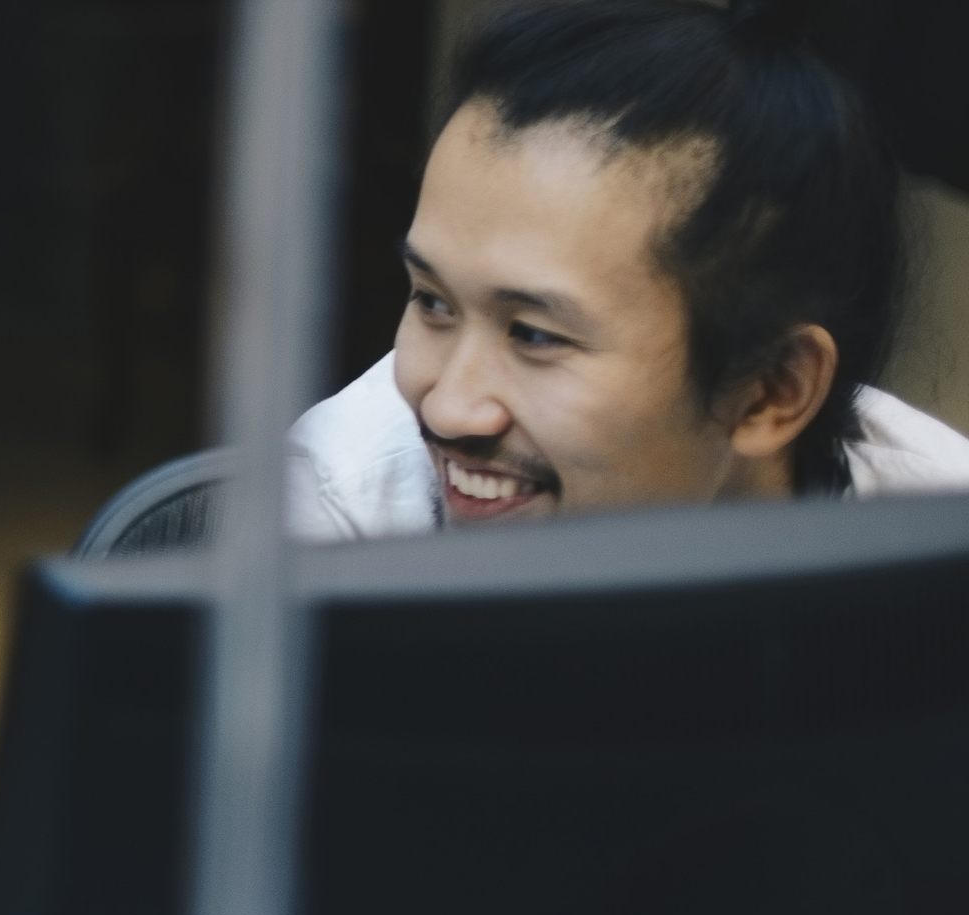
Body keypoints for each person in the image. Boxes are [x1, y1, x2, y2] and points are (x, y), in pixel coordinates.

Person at [293, 0, 969, 540]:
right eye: (434, 303)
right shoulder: (321, 541)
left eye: (533, 335)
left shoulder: (935, 552)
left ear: (771, 388)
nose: (448, 407)